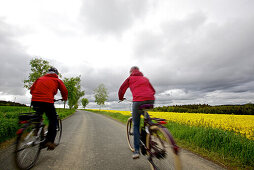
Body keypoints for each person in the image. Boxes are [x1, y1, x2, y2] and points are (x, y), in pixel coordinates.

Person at [118, 66, 155, 159]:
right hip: (150, 100)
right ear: (139, 71)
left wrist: (121, 98)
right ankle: (151, 128)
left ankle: (137, 151)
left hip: (138, 101)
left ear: (131, 72)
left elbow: (121, 89)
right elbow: (153, 90)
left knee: (136, 125)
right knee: (146, 115)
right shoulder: (145, 78)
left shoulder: (130, 78)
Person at [30, 67, 68, 150]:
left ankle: (37, 130)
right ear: (56, 74)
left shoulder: (39, 79)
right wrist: (64, 98)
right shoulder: (57, 80)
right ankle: (49, 141)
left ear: (48, 73)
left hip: (35, 101)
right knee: (53, 120)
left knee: (38, 116)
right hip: (47, 102)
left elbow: (31, 90)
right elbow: (64, 91)